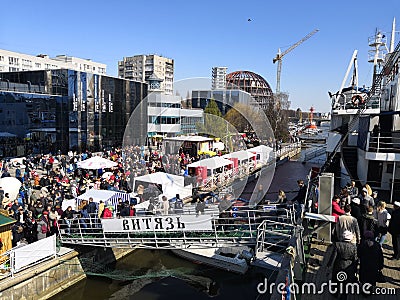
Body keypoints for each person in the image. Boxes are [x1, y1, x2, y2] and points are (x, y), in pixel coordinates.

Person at [327, 230, 358, 300]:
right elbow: (355, 259)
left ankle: (335, 293)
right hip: (348, 266)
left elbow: (333, 256)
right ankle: (344, 296)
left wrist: (329, 265)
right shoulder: (353, 247)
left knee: (336, 279)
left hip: (339, 264)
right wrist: (355, 269)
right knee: (346, 283)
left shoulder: (338, 245)